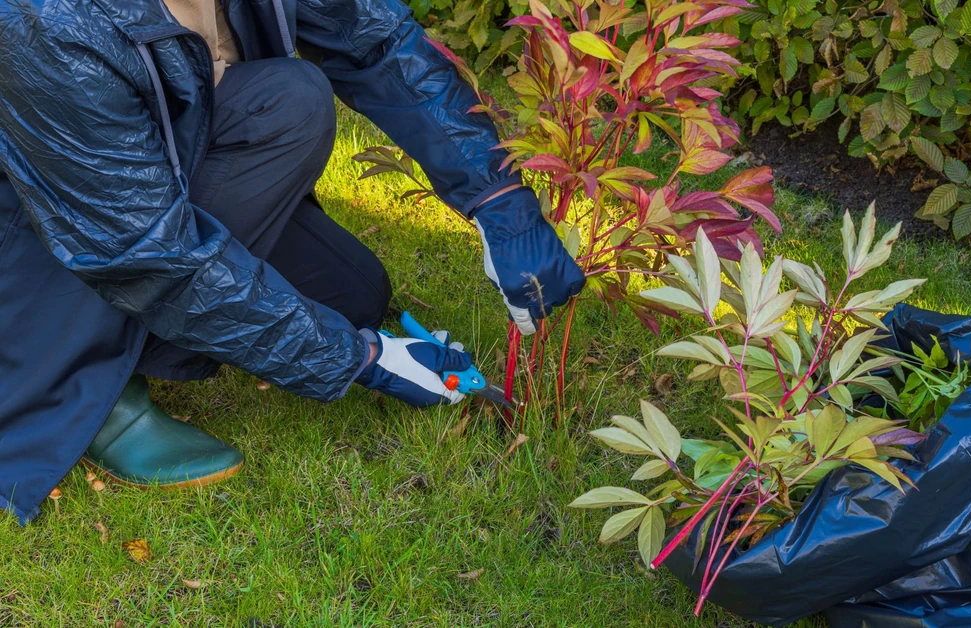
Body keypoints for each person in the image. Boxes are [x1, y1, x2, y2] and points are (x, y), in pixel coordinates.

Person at [0, 0, 585, 524]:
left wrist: (499, 203)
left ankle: (153, 337)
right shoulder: (46, 20)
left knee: (353, 290)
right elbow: (145, 250)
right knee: (282, 111)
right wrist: (361, 357)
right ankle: (91, 386)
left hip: (170, 150)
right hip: (61, 211)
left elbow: (375, 39)